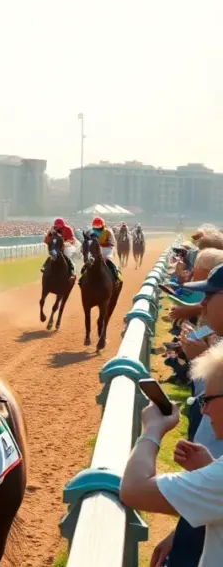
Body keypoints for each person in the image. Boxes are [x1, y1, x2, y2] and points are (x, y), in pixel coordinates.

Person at [121, 265, 223, 567]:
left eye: (209, 296)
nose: (201, 303)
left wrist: (152, 430)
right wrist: (184, 526)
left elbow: (134, 491)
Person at [84, 216, 121, 282]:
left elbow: (112, 243)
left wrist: (101, 244)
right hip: (94, 249)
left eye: (98, 227)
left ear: (102, 226)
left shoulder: (108, 232)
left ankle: (116, 276)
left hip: (107, 249)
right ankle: (82, 278)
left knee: (107, 260)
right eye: (95, 227)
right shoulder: (90, 232)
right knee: (88, 262)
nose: (97, 229)